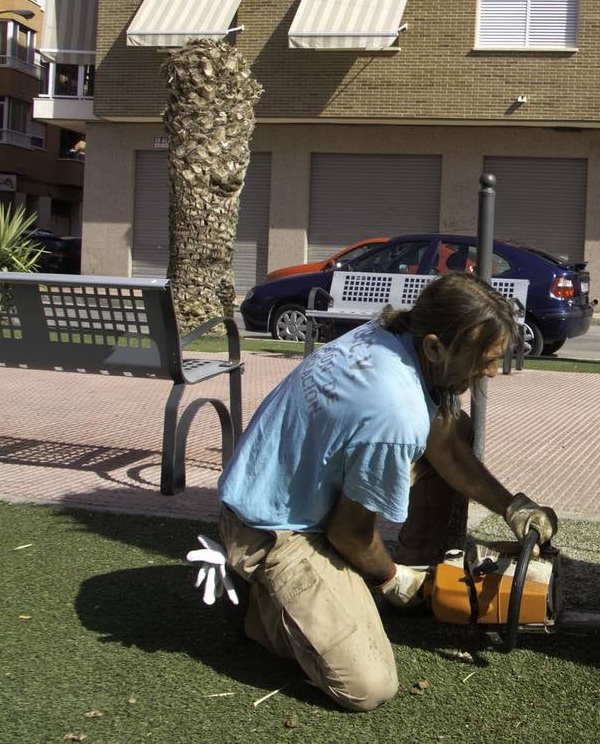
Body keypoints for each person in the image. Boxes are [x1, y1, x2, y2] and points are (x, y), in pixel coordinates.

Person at [215, 272, 558, 711]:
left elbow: (447, 446)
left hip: (293, 491)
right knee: (367, 686)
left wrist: (512, 506)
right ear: (434, 346)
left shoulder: (391, 334)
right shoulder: (394, 413)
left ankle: (414, 570)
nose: (492, 371)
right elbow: (348, 534)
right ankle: (263, 604)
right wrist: (391, 578)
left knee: (455, 426)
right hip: (272, 530)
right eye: (483, 359)